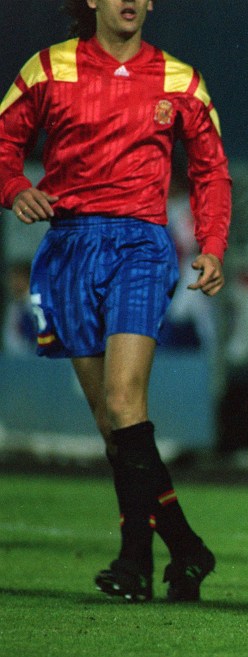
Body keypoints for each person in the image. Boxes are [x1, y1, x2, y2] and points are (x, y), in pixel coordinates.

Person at [0, 0, 231, 602]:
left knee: (126, 399)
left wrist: (211, 246)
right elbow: (2, 143)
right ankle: (178, 552)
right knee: (113, 424)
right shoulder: (49, 69)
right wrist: (14, 186)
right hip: (70, 248)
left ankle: (142, 559)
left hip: (141, 245)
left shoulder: (179, 80)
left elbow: (210, 171)